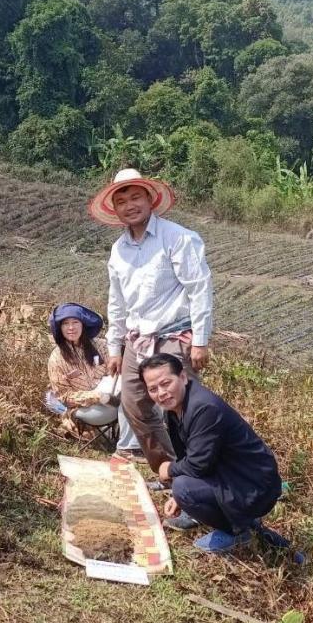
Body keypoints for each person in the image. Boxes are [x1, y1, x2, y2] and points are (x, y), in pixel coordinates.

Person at [90, 169, 214, 485]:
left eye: (135, 197)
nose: (130, 205)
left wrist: (199, 341)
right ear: (115, 210)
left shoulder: (178, 238)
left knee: (178, 408)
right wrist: (114, 347)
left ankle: (195, 479)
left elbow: (199, 288)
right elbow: (116, 301)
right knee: (134, 405)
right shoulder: (119, 250)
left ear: (150, 199)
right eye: (122, 201)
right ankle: (170, 472)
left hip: (175, 334)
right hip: (138, 337)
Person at [141, 353, 285, 554]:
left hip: (253, 484)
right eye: (153, 389)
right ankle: (239, 521)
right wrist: (179, 497)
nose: (161, 393)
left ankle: (236, 532)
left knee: (183, 487)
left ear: (183, 377)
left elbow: (198, 465)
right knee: (182, 489)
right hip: (229, 476)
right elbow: (191, 456)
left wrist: (170, 470)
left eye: (166, 383)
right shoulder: (176, 408)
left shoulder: (204, 408)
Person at [44, 302, 141, 456]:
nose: (71, 328)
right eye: (66, 324)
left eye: (75, 322)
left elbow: (118, 366)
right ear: (60, 328)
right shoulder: (56, 358)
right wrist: (97, 397)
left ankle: (133, 444)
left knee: (132, 390)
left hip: (112, 395)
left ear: (83, 324)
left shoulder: (101, 346)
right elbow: (64, 396)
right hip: (84, 407)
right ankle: (128, 446)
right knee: (126, 402)